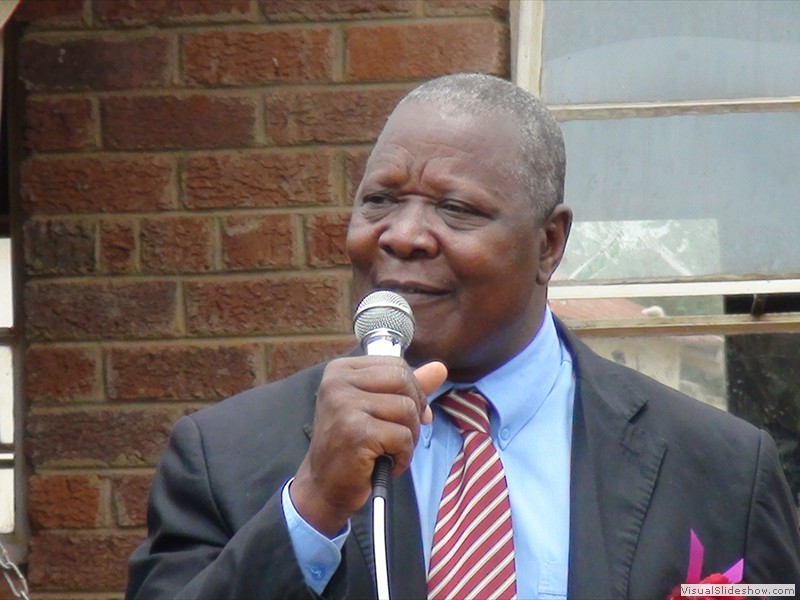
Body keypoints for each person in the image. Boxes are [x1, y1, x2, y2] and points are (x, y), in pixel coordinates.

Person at [126, 73, 800, 599]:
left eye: (455, 208)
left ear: (549, 244)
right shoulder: (223, 457)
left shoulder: (721, 470)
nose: (403, 235)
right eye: (380, 200)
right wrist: (310, 510)